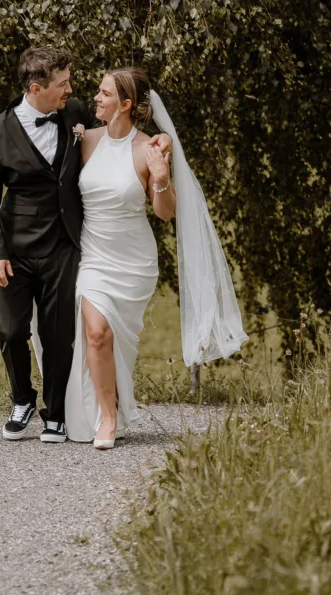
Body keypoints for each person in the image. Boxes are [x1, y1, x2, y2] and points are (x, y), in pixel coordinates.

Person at [0, 48, 170, 443]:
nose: (73, 90)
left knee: (60, 332)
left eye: (71, 83)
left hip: (69, 246)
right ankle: (23, 399)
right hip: (21, 249)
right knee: (13, 330)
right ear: (36, 88)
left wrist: (162, 146)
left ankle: (59, 413)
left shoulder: (74, 113)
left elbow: (127, 134)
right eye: (63, 84)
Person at [62, 67, 250, 448]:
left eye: (104, 93)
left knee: (120, 343)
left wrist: (161, 176)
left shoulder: (149, 148)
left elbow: (165, 212)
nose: (95, 98)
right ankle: (109, 418)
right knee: (97, 333)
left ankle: (113, 402)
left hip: (134, 262)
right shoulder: (83, 140)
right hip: (93, 257)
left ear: (126, 104)